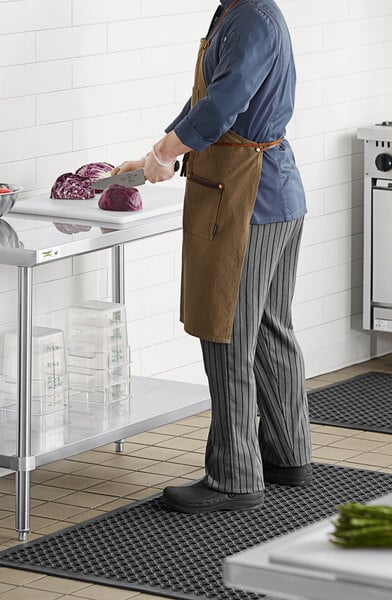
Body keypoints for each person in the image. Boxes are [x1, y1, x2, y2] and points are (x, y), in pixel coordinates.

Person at [114, 0, 312, 512]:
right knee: (269, 328)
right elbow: (202, 101)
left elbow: (223, 104)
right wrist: (157, 152)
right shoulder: (239, 11)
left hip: (247, 198)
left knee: (227, 334)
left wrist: (167, 152)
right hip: (277, 195)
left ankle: (235, 477)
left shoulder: (251, 18)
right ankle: (289, 455)